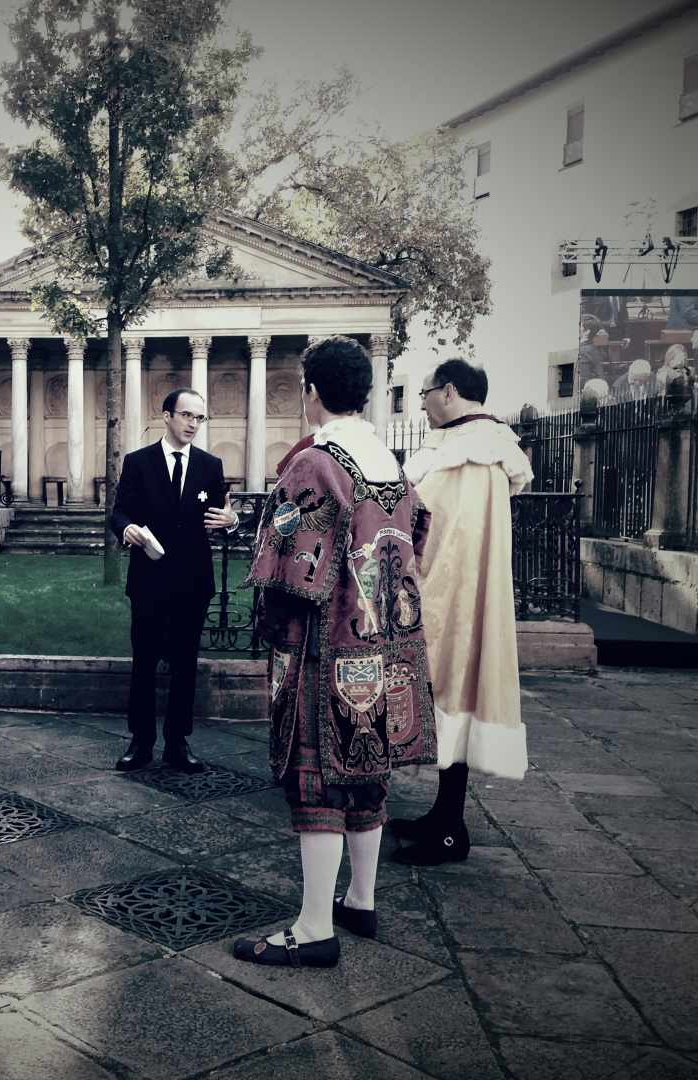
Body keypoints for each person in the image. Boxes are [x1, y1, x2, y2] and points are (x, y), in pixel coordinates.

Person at [233, 336, 435, 968]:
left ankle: (315, 927)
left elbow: (289, 566)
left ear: (311, 391)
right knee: (368, 776)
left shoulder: (316, 463)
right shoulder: (391, 463)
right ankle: (361, 899)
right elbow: (416, 535)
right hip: (386, 648)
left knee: (315, 781)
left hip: (328, 648)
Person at [391, 358, 531, 865]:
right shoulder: (472, 446)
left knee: (456, 698)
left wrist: (415, 592)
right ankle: (443, 816)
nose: (422, 402)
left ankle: (449, 829)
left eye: (425, 392)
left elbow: (442, 535)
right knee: (453, 701)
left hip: (454, 598)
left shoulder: (475, 454)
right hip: (454, 593)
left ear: (448, 391)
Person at [109, 388, 239, 774]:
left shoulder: (210, 465)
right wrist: (128, 527)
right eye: (186, 416)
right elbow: (118, 513)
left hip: (193, 582)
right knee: (144, 662)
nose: (193, 424)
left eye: (199, 418)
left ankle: (178, 743)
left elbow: (224, 516)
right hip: (148, 580)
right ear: (166, 416)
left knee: (185, 663)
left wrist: (231, 522)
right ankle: (141, 742)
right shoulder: (137, 462)